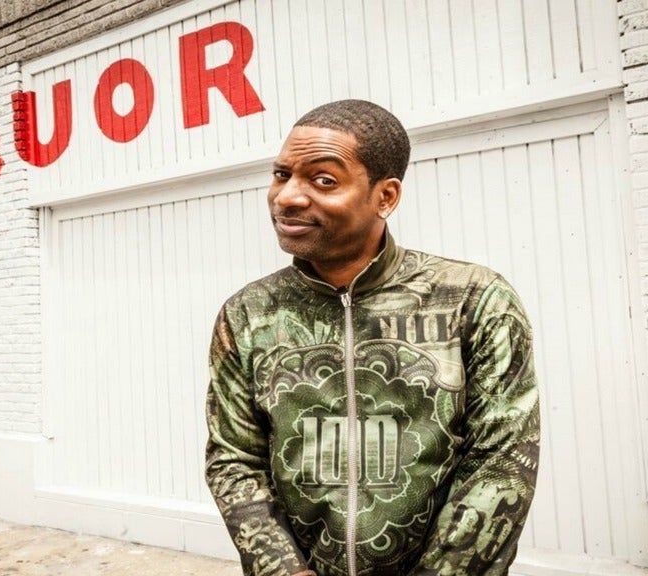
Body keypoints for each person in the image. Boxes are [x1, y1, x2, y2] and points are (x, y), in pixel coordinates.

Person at [204, 99, 540, 576]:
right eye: (282, 175)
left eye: (323, 180)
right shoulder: (248, 314)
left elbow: (502, 460)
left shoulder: (473, 299)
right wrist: (281, 569)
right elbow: (234, 459)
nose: (288, 197)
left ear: (385, 197)